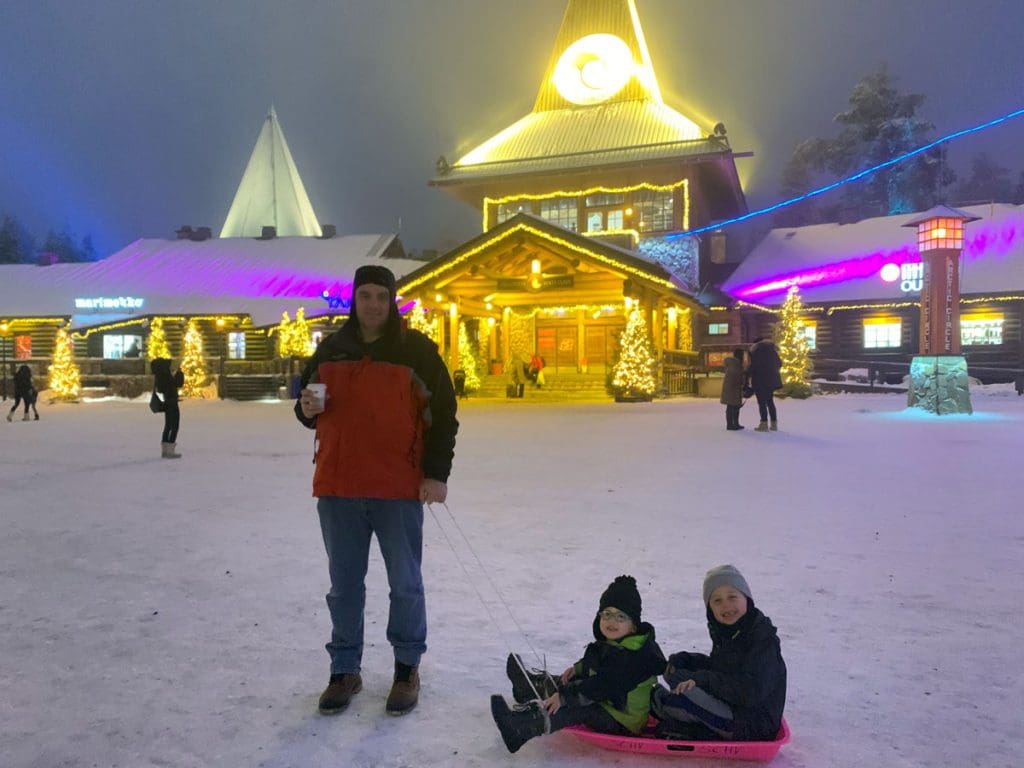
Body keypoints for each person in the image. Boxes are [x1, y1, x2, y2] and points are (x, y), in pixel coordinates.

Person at [295, 264, 458, 717]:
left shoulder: (417, 352)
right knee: (344, 587)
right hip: (338, 487)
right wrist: (305, 408)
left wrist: (436, 474)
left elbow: (443, 414)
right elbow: (307, 403)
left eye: (381, 297)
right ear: (354, 300)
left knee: (405, 584)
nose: (372, 305)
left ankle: (406, 668)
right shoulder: (331, 348)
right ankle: (344, 669)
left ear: (392, 301)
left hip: (398, 488)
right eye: (365, 295)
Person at [490, 575, 666, 754]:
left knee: (579, 705)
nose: (612, 621)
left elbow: (600, 686)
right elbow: (599, 663)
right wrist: (578, 668)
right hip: (611, 702)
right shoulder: (620, 641)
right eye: (607, 614)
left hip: (623, 720)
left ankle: (520, 728)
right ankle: (526, 687)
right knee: (572, 682)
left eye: (620, 617)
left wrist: (565, 697)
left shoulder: (634, 658)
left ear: (634, 625)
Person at [651, 564, 786, 742]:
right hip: (732, 707)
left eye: (732, 597)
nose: (726, 606)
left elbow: (749, 691)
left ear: (746, 598)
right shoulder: (728, 632)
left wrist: (701, 679)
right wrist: (690, 662)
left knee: (687, 695)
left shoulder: (763, 640)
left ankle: (660, 704)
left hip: (752, 725)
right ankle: (683, 714)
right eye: (717, 601)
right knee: (677, 674)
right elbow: (724, 669)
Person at [747, 337, 782, 432]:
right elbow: (779, 364)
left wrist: (747, 373)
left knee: (762, 403)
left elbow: (754, 366)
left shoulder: (757, 352)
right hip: (771, 381)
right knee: (770, 401)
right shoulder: (772, 351)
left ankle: (764, 424)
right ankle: (774, 424)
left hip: (760, 381)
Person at [150, 358, 183, 458]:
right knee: (174, 426)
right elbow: (177, 383)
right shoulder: (166, 374)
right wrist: (180, 373)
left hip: (167, 401)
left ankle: (165, 451)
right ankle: (170, 451)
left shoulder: (159, 375)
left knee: (168, 425)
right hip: (172, 402)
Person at [720, 348, 746, 431]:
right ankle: (733, 424)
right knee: (734, 406)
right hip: (734, 388)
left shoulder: (731, 363)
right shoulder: (737, 365)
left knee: (730, 406)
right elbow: (738, 377)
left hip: (728, 387)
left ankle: (731, 424)